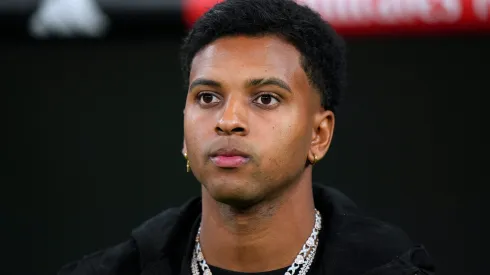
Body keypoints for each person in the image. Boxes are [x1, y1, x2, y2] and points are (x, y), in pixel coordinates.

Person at [58, 0, 435, 274]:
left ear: (319, 135)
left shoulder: (390, 268)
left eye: (266, 98)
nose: (228, 121)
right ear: (185, 131)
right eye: (207, 97)